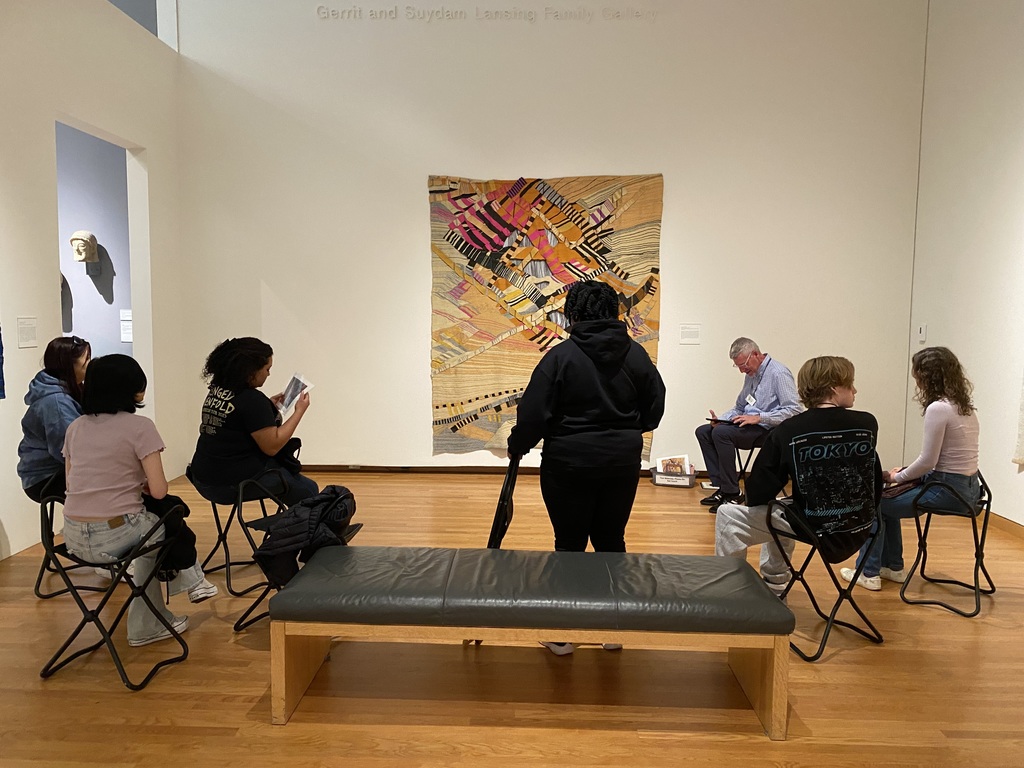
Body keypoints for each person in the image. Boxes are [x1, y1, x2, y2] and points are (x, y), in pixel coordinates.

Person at [507, 281, 666, 655]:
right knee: (611, 539)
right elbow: (654, 407)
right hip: (621, 461)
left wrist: (518, 444)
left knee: (570, 543)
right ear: (614, 312)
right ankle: (613, 627)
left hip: (569, 462)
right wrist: (625, 431)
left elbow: (534, 414)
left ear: (572, 314)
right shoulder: (637, 355)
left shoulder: (560, 357)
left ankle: (564, 633)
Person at [61, 355, 217, 647]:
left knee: (157, 524)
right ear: (130, 389)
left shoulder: (75, 427)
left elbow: (71, 484)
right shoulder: (140, 427)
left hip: (72, 537)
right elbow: (158, 490)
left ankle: (188, 588)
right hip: (116, 532)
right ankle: (155, 616)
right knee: (165, 519)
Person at [715, 356, 882, 596]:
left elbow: (759, 489)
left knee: (729, 515)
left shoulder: (789, 430)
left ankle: (729, 594)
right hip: (861, 525)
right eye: (850, 384)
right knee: (782, 507)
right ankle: (774, 583)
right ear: (834, 388)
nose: (855, 390)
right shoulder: (867, 424)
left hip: (817, 526)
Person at [842, 347, 980, 591]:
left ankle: (868, 571)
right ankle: (893, 566)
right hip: (970, 490)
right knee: (886, 501)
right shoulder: (963, 406)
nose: (916, 381)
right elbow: (944, 461)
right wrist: (904, 472)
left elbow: (928, 461)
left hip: (946, 490)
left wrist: (898, 476)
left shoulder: (938, 408)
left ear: (927, 377)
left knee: (873, 503)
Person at [190, 337, 318, 506]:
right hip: (228, 485)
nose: (268, 374)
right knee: (309, 490)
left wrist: (266, 407)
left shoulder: (217, 390)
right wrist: (299, 411)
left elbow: (237, 419)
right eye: (267, 369)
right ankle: (299, 522)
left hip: (202, 478)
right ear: (250, 371)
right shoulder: (252, 400)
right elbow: (272, 446)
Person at [696, 337, 802, 512]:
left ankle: (732, 493)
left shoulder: (778, 373)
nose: (742, 370)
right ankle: (723, 487)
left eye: (743, 365)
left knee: (721, 434)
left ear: (755, 354)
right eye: (738, 366)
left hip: (768, 429)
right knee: (704, 432)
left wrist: (760, 417)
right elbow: (740, 407)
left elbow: (794, 410)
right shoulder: (751, 375)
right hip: (749, 425)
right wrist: (721, 419)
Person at [17, 336, 91, 502]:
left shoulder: (67, 390)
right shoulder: (57, 403)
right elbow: (68, 450)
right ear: (68, 365)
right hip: (45, 477)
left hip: (52, 470)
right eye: (86, 360)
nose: (90, 364)